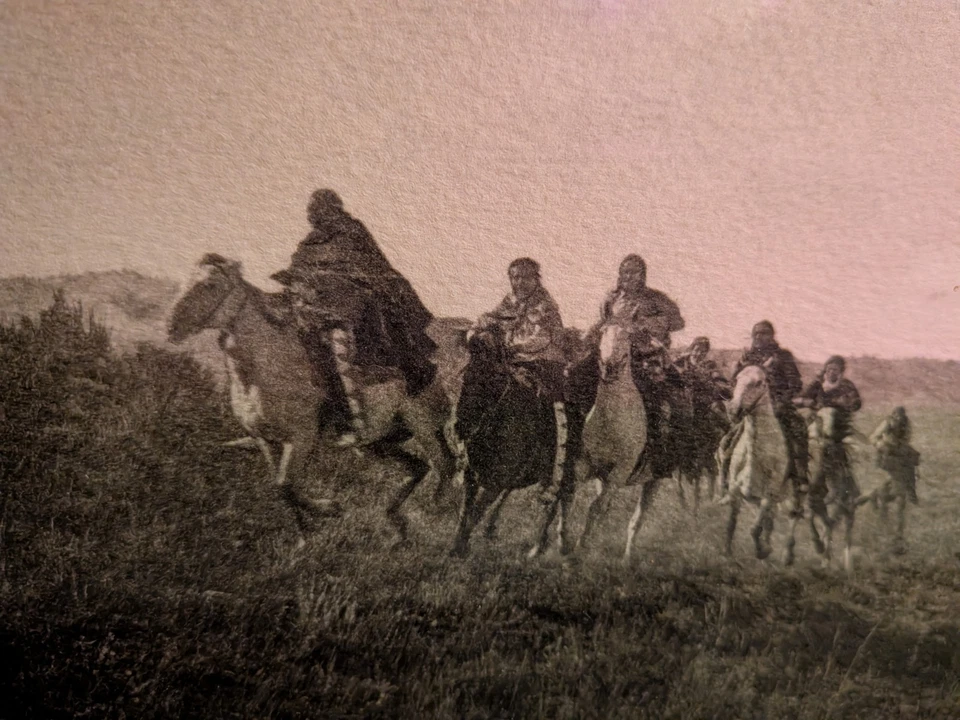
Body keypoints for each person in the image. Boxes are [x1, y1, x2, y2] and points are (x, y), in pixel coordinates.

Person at [272, 189, 438, 446]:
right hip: (313, 309)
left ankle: (353, 421)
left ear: (332, 208)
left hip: (352, 308)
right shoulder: (309, 242)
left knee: (340, 350)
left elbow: (369, 268)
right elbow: (296, 272)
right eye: (311, 208)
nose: (312, 213)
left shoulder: (351, 231)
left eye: (318, 207)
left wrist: (334, 285)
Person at [466, 258, 569, 504]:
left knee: (552, 407)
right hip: (514, 362)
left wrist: (510, 348)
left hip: (543, 363)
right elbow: (489, 318)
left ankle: (552, 470)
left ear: (536, 278)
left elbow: (541, 339)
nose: (519, 282)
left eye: (525, 277)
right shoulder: (508, 302)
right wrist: (475, 331)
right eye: (514, 277)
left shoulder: (546, 306)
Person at [584, 254, 686, 480]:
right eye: (625, 271)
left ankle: (656, 451)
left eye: (634, 272)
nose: (628, 276)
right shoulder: (611, 298)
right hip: (613, 351)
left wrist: (646, 325)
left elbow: (678, 322)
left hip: (644, 354)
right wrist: (592, 333)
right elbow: (604, 321)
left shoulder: (655, 298)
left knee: (658, 396)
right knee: (578, 379)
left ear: (643, 275)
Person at [731, 321, 809, 496]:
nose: (759, 337)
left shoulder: (783, 356)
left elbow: (795, 384)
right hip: (753, 406)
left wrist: (782, 401)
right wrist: (737, 367)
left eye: (764, 333)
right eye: (756, 334)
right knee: (730, 436)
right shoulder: (748, 356)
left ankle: (800, 476)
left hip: (779, 405)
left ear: (772, 336)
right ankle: (727, 472)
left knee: (798, 429)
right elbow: (736, 381)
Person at [795, 355, 863, 509]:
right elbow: (798, 400)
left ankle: (850, 488)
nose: (832, 373)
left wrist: (848, 403)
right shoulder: (818, 384)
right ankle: (799, 480)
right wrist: (807, 402)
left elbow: (857, 403)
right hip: (816, 422)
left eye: (836, 370)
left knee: (838, 452)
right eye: (829, 369)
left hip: (838, 426)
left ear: (841, 372)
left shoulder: (846, 386)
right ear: (825, 370)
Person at [863, 406, 920, 553]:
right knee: (893, 480)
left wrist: (903, 447)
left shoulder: (906, 424)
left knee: (913, 460)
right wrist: (881, 445)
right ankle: (884, 496)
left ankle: (909, 491)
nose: (898, 419)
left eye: (900, 417)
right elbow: (873, 437)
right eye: (896, 416)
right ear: (893, 415)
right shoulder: (887, 423)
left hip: (899, 452)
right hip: (887, 452)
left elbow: (907, 437)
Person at [674, 336, 732, 476]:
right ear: (691, 349)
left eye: (703, 351)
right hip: (682, 405)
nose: (698, 354)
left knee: (722, 425)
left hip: (702, 405)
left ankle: (716, 459)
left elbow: (723, 386)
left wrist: (706, 379)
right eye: (696, 350)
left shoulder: (710, 365)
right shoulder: (681, 362)